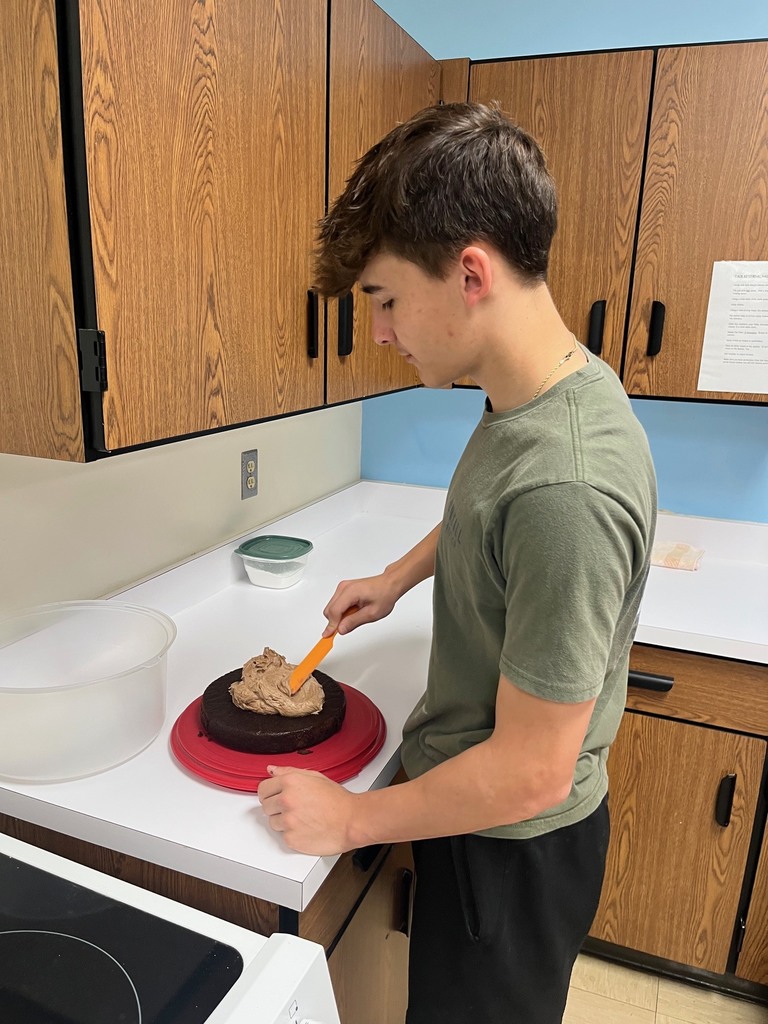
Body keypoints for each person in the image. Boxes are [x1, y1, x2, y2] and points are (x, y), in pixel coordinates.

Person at [257, 102, 657, 1023]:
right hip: (473, 819)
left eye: (387, 300)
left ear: (470, 272)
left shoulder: (570, 486)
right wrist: (398, 576)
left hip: (509, 847)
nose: (385, 332)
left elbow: (531, 772)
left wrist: (349, 819)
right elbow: (490, 511)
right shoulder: (532, 395)